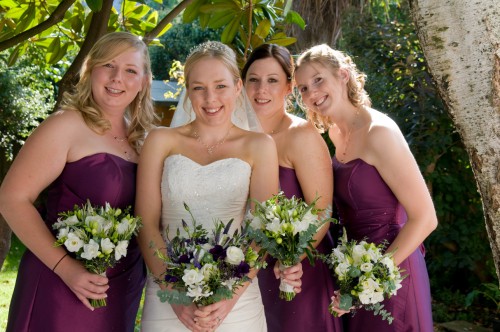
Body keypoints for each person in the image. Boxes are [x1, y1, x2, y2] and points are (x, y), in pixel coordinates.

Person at [136, 41, 302, 332]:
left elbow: (261, 228)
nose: (210, 98)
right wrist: (175, 295)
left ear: (238, 87)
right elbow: (147, 223)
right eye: (198, 87)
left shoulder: (260, 145)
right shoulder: (160, 140)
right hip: (168, 294)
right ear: (188, 90)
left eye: (220, 86)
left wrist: (228, 297)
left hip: (236, 298)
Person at [0, 31, 156, 331]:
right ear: (91, 69)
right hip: (60, 284)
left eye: (130, 70)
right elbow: (12, 198)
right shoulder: (65, 125)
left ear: (144, 81)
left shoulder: (144, 138)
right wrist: (66, 268)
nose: (117, 78)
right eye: (108, 65)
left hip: (121, 288)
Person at [294, 44, 438, 331]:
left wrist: (370, 279)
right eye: (302, 89)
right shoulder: (335, 133)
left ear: (343, 75)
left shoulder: (379, 133)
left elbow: (425, 218)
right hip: (357, 272)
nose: (311, 93)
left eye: (318, 80)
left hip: (394, 272)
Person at [241, 43, 343, 332]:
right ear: (242, 84)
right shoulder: (234, 136)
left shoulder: (301, 135)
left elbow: (323, 211)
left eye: (273, 80)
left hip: (296, 273)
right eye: (254, 80)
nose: (262, 90)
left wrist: (292, 257)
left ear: (289, 87)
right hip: (245, 269)